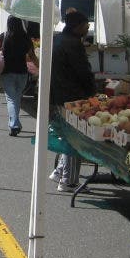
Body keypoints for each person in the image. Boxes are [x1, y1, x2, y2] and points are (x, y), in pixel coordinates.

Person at [48, 11, 97, 192]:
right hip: (70, 96)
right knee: (75, 138)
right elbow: (82, 71)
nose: (88, 27)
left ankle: (59, 171)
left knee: (67, 134)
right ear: (78, 25)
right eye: (86, 24)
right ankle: (69, 181)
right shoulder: (73, 44)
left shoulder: (59, 39)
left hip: (57, 94)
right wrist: (92, 93)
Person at [0, 17, 38, 136]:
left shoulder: (4, 36)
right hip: (22, 72)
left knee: (11, 99)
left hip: (8, 72)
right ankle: (15, 122)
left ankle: (14, 125)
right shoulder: (25, 37)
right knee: (16, 97)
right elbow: (32, 56)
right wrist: (40, 68)